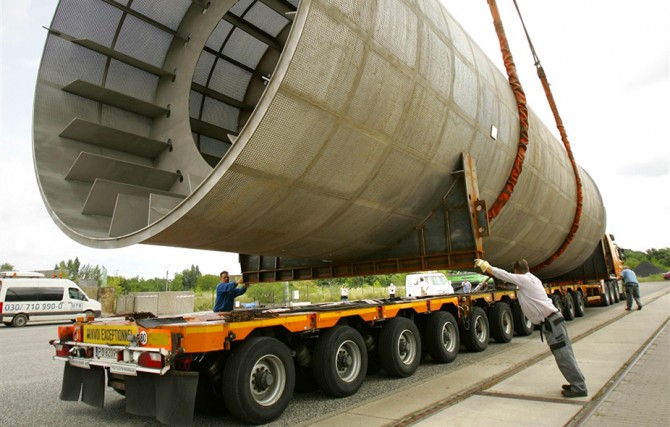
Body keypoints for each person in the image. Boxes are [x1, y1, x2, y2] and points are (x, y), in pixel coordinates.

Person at [474, 258, 588, 398]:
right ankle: (577, 382)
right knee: (565, 353)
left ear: (517, 271)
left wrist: (486, 267)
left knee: (563, 355)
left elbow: (503, 275)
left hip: (551, 323)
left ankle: (579, 387)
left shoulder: (525, 280)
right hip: (553, 321)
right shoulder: (532, 279)